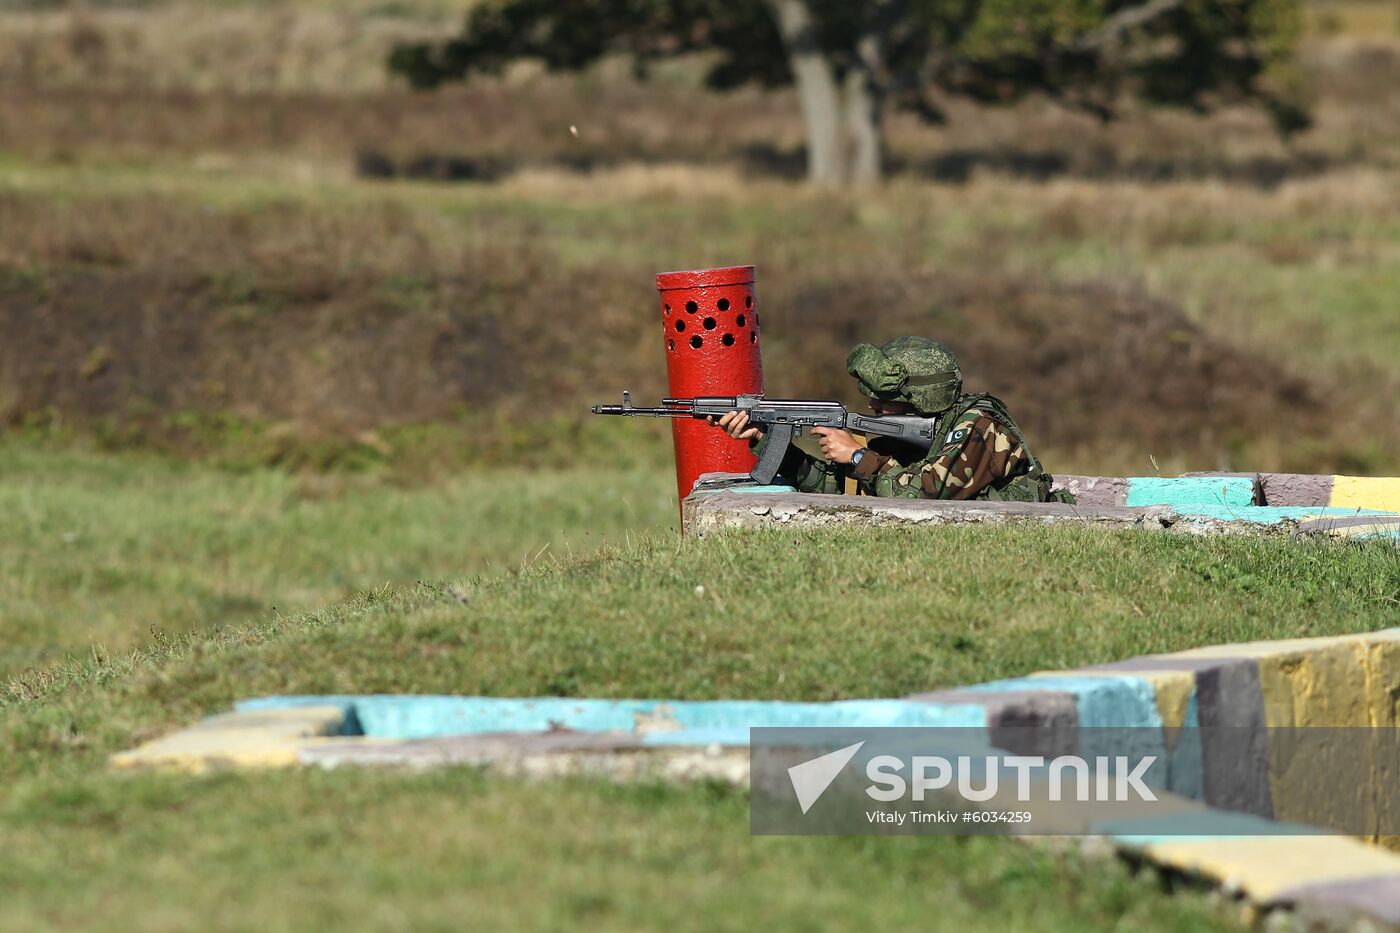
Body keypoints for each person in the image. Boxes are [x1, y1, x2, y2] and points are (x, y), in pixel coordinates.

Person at [707, 337, 1064, 502]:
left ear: (918, 399)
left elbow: (925, 495)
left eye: (884, 400)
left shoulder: (980, 427)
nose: (873, 406)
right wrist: (765, 439)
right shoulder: (905, 437)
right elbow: (838, 491)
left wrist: (859, 457)